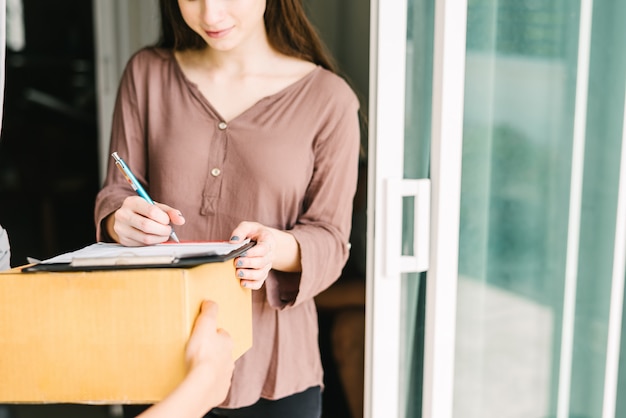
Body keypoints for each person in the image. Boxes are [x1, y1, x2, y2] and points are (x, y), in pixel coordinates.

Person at [94, 0, 361, 416]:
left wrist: (278, 248)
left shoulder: (330, 100)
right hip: (159, 349)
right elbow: (118, 191)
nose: (211, 15)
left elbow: (330, 237)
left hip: (274, 371)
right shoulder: (147, 74)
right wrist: (119, 221)